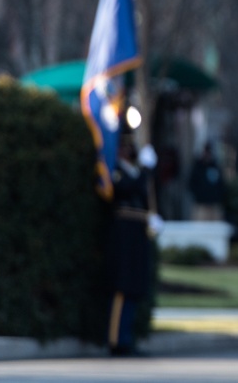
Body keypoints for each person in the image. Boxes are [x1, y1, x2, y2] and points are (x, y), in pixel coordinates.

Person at [106, 138, 162, 357]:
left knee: (134, 287)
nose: (127, 150)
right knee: (123, 287)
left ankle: (128, 337)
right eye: (124, 146)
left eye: (130, 147)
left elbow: (145, 194)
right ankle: (116, 339)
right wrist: (146, 170)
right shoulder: (115, 170)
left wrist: (153, 217)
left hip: (137, 233)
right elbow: (124, 189)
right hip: (123, 234)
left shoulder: (136, 171)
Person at [188, 142, 225, 221]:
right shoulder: (197, 167)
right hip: (201, 205)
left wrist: (218, 197)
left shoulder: (215, 167)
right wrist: (199, 195)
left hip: (215, 205)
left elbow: (221, 184)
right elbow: (191, 184)